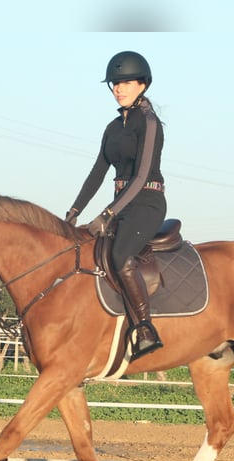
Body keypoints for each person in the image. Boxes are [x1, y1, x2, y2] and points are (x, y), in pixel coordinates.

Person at [65, 50, 166, 360]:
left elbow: (140, 176)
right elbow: (98, 171)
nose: (118, 89)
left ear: (142, 85)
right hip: (120, 204)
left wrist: (107, 215)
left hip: (147, 201)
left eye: (125, 83)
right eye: (114, 84)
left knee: (121, 254)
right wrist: (73, 213)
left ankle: (145, 329)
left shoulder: (149, 122)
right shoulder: (112, 128)